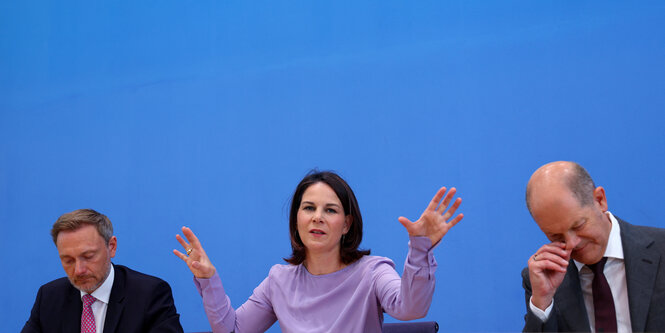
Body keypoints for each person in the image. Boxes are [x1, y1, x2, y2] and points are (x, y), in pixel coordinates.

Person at [174, 170, 463, 333]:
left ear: (347, 223)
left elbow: (412, 308)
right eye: (308, 208)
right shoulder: (279, 280)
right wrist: (209, 279)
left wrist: (420, 247)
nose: (317, 217)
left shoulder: (372, 272)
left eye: (331, 210)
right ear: (296, 219)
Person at [521, 161, 665, 332]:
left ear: (600, 200)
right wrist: (542, 303)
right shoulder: (542, 280)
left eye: (579, 226)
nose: (572, 243)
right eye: (556, 236)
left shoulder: (660, 250)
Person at [22, 209, 184, 333]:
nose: (79, 270)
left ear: (111, 247)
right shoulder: (50, 297)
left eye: (88, 256)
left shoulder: (149, 294)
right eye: (68, 260)